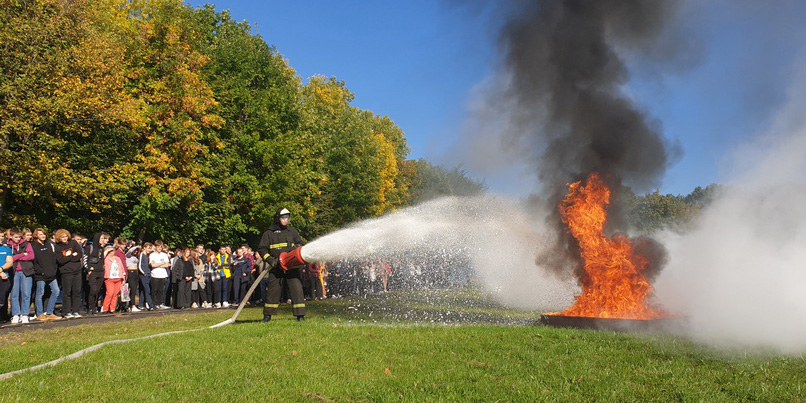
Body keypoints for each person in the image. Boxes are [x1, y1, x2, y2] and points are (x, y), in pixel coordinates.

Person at [257, 208, 306, 322]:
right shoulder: (269, 233)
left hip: (292, 267)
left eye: (287, 218)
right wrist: (271, 260)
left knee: (297, 290)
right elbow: (262, 249)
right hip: (276, 267)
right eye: (283, 218)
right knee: (273, 291)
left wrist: (296, 248)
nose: (286, 220)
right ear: (277, 219)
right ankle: (267, 316)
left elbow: (300, 244)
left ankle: (300, 315)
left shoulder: (292, 231)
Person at [54, 228, 83, 318]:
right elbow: (61, 260)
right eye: (63, 237)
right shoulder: (57, 247)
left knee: (77, 291)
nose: (65, 238)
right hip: (66, 273)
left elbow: (79, 254)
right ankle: (67, 311)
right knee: (67, 293)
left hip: (77, 271)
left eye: (66, 236)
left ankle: (76, 311)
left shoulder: (73, 243)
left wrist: (69, 258)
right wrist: (71, 256)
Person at [32, 228, 60, 320]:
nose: (42, 236)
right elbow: (35, 261)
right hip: (41, 275)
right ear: (36, 236)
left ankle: (49, 312)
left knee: (56, 291)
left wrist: (54, 269)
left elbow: (53, 258)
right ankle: (39, 313)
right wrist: (41, 271)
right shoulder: (34, 246)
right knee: (40, 293)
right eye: (40, 234)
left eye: (43, 234)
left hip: (51, 273)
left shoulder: (48, 244)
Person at [8, 228, 35, 324]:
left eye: (19, 237)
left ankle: (25, 314)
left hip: (26, 271)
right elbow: (11, 258)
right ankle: (15, 314)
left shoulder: (27, 244)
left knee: (26, 294)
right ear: (11, 237)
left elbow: (31, 256)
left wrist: (18, 257)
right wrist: (22, 254)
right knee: (14, 294)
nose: (18, 239)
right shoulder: (8, 246)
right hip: (14, 272)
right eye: (16, 237)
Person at [84, 232, 110, 315]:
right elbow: (85, 258)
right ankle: (90, 307)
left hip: (100, 271)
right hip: (92, 271)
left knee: (97, 290)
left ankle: (94, 307)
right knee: (93, 290)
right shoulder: (90, 247)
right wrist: (88, 269)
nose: (103, 240)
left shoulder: (102, 249)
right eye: (102, 238)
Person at [149, 240, 171, 309]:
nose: (159, 248)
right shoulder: (152, 255)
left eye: (161, 247)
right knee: (154, 290)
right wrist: (162, 263)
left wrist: (157, 264)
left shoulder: (164, 255)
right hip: (155, 275)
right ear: (155, 247)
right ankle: (154, 303)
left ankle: (160, 303)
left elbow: (167, 264)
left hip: (163, 275)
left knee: (161, 290)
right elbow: (152, 265)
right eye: (158, 247)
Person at [0, 229, 15, 322]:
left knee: (2, 299)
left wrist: (1, 269)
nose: (1, 238)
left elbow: (9, 262)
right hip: (2, 274)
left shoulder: (6, 249)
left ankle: (2, 317)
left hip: (5, 277)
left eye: (2, 236)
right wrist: (0, 272)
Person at [137, 243, 154, 311]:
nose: (149, 250)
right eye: (148, 248)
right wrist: (143, 273)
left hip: (147, 274)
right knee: (147, 290)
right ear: (144, 248)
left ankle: (141, 304)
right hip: (144, 275)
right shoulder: (142, 254)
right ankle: (150, 304)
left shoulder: (147, 256)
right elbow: (140, 265)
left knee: (143, 290)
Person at [125, 245, 141, 312]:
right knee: (132, 288)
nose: (135, 251)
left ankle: (131, 304)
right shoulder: (128, 255)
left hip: (135, 272)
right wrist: (136, 247)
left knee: (134, 289)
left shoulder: (135, 257)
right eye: (135, 250)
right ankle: (132, 305)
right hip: (130, 271)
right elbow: (130, 251)